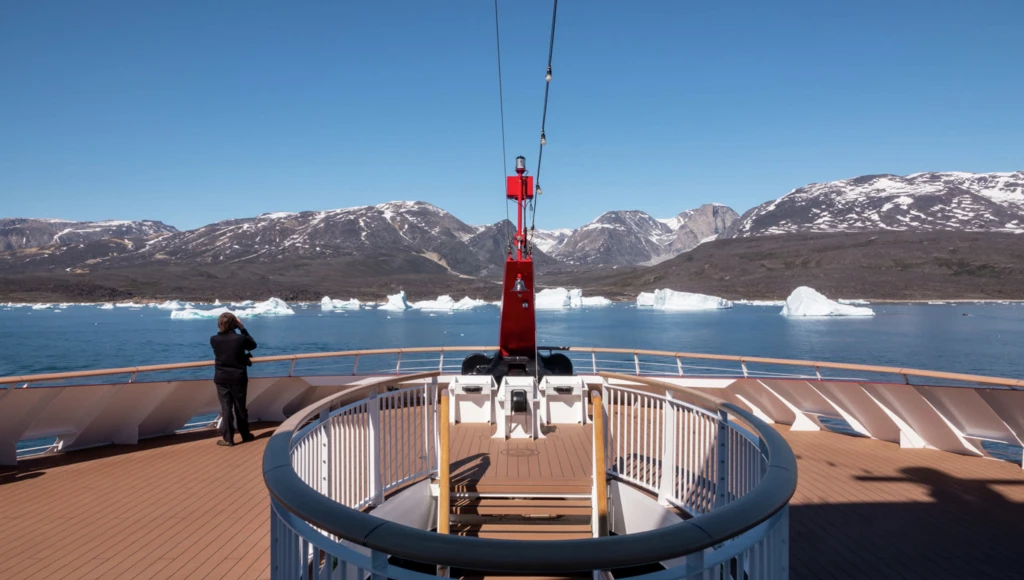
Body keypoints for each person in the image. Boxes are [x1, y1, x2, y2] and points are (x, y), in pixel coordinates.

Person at [210, 312, 257, 446]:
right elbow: (252, 345)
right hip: (238, 377)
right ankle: (245, 435)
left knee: (226, 409)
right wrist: (242, 328)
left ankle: (228, 439)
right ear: (234, 324)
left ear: (219, 324)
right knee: (240, 408)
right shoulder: (240, 339)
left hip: (221, 377)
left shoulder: (214, 339)